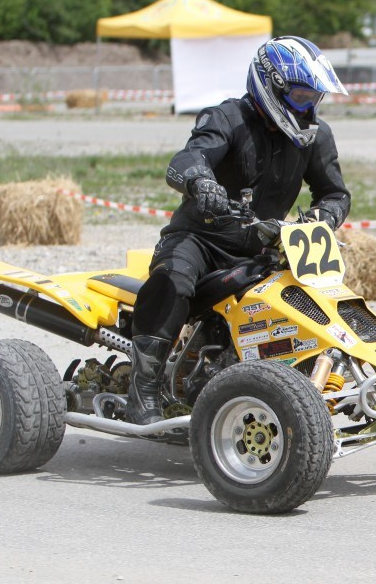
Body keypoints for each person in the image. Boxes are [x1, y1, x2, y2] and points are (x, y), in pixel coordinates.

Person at [125, 36, 351, 425]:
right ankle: (142, 390)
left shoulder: (316, 135)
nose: (308, 107)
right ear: (271, 86)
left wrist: (323, 217)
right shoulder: (226, 118)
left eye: (314, 98)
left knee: (310, 299)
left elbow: (334, 193)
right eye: (300, 96)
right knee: (174, 279)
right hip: (201, 238)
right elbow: (187, 159)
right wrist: (201, 183)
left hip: (265, 245)